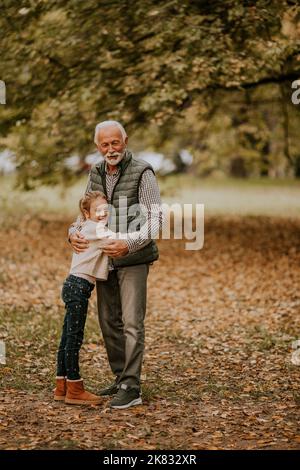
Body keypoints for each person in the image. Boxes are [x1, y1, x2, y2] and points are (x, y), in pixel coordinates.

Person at [69, 120, 163, 409]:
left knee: (132, 323)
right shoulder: (95, 172)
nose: (111, 149)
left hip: (133, 258)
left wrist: (129, 244)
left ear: (125, 141)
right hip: (102, 260)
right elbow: (85, 213)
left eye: (115, 143)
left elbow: (156, 220)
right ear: (98, 147)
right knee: (109, 322)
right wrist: (72, 232)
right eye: (104, 145)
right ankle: (121, 378)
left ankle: (132, 387)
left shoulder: (143, 171)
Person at [54, 190, 127, 405]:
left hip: (73, 285)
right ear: (86, 213)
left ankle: (62, 386)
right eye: (98, 210)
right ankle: (75, 388)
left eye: (106, 210)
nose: (104, 214)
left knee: (66, 337)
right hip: (78, 288)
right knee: (74, 339)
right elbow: (119, 240)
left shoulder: (87, 227)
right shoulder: (97, 229)